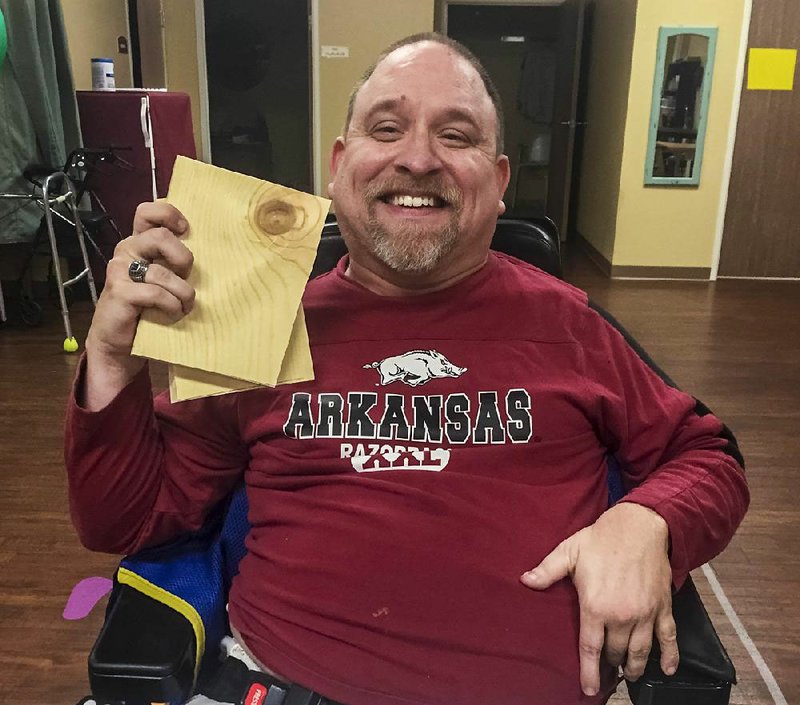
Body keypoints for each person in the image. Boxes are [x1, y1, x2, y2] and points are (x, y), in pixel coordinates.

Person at [65, 33, 748, 705]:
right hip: (274, 686)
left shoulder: (570, 326)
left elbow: (709, 457)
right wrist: (111, 356)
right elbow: (126, 522)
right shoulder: (259, 323)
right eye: (387, 128)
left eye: (456, 136)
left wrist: (646, 521)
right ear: (339, 165)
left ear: (500, 180)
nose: (418, 158)